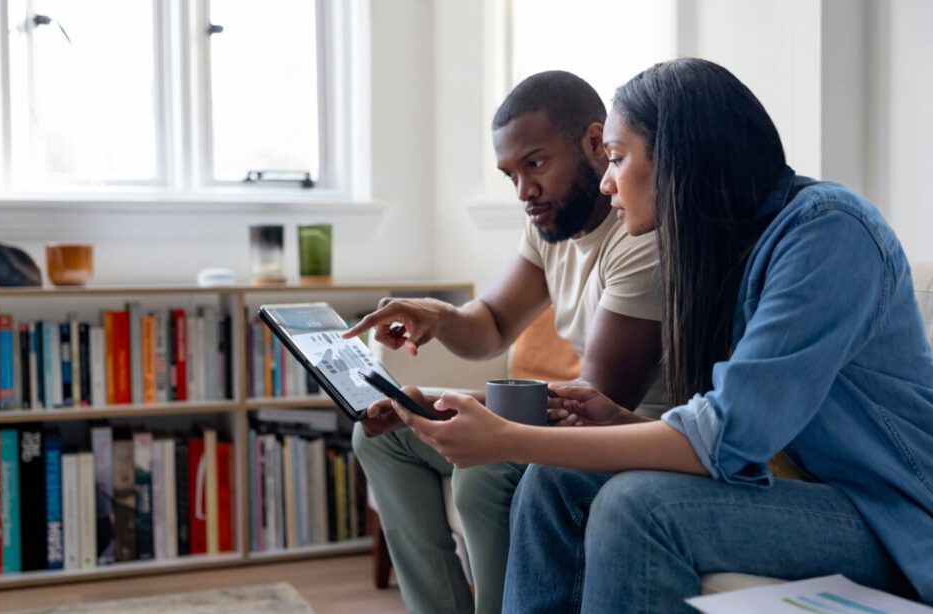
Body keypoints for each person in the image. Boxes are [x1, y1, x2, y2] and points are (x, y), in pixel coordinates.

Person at [385, 58, 933, 612]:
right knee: (555, 480)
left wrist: (507, 439)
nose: (606, 180)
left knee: (637, 506)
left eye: (617, 158)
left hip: (888, 514)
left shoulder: (828, 233)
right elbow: (729, 432)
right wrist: (619, 421)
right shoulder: (720, 250)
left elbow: (728, 435)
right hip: (790, 487)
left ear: (678, 157)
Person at [346, 71, 665, 614]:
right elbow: (492, 324)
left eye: (536, 164)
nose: (524, 192)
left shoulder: (640, 238)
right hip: (569, 418)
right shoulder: (549, 226)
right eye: (511, 174)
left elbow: (591, 403)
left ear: (595, 143)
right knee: (381, 439)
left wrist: (438, 401)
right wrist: (439, 315)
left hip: (626, 434)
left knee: (484, 471)